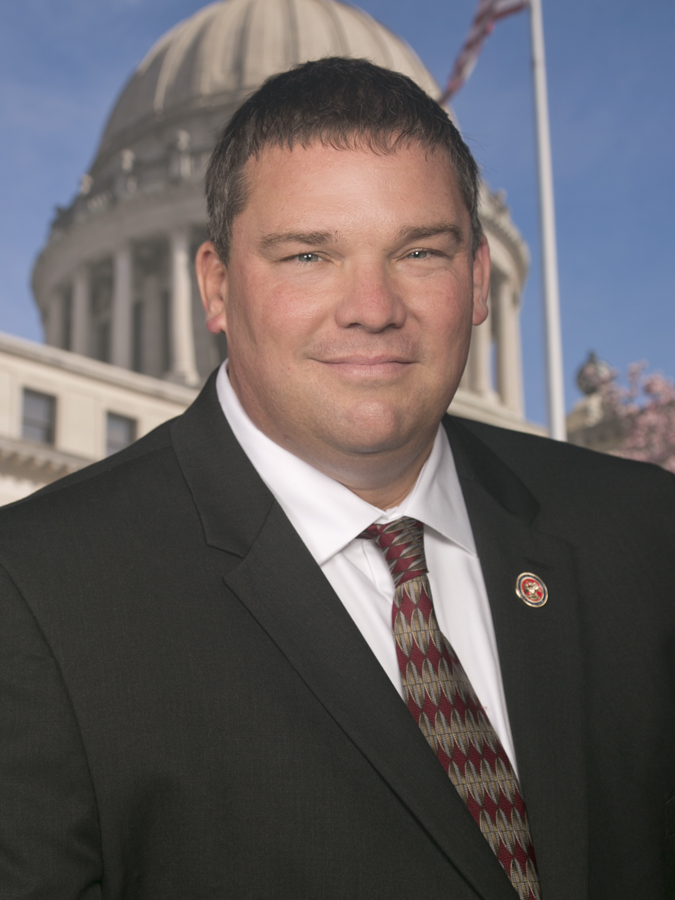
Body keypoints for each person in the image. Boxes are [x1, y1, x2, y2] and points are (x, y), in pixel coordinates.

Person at [1, 57, 674, 900]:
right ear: (215, 285)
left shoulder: (643, 533)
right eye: (308, 255)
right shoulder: (34, 590)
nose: (371, 307)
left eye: (419, 250)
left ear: (475, 282)